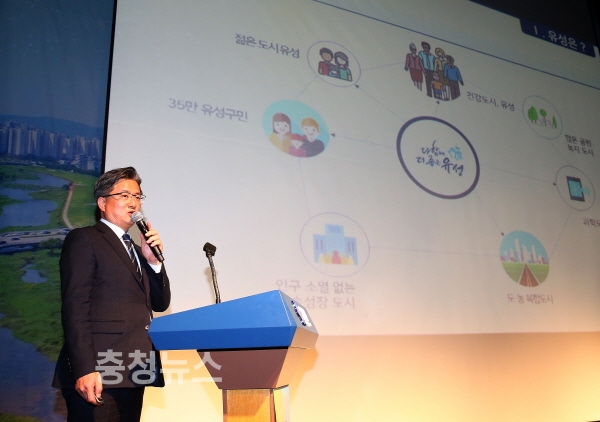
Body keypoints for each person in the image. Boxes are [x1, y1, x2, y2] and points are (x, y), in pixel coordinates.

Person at [52, 166, 171, 422]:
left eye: (137, 196)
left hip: (135, 369)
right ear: (102, 202)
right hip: (99, 371)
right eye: (124, 195)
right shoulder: (85, 239)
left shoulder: (137, 250)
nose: (133, 202)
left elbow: (161, 303)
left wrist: (154, 263)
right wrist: (85, 368)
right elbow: (75, 307)